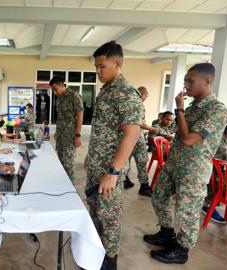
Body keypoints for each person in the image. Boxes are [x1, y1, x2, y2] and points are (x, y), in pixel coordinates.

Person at [144, 63, 227, 264]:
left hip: (193, 170)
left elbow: (189, 139)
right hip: (175, 163)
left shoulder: (218, 110)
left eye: (191, 81)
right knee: (159, 196)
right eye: (185, 81)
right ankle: (166, 233)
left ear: (208, 81)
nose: (186, 85)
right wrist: (182, 111)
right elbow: (178, 133)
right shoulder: (192, 107)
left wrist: (179, 109)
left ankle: (182, 250)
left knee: (187, 212)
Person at [84, 41, 143, 270]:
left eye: (101, 66)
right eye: (96, 67)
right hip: (98, 164)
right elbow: (104, 130)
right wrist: (91, 154)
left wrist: (113, 171)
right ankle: (96, 251)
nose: (98, 71)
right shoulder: (107, 90)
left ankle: (110, 259)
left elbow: (132, 134)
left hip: (110, 170)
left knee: (109, 214)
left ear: (117, 63)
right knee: (96, 208)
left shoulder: (126, 93)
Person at [50, 76, 83, 183]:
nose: (54, 92)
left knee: (68, 163)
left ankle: (71, 187)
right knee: (60, 161)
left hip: (70, 136)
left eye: (55, 89)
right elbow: (60, 117)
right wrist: (57, 131)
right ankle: (62, 183)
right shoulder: (59, 98)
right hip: (60, 134)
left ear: (61, 85)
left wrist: (77, 135)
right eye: (52, 90)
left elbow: (80, 116)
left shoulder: (74, 96)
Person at [201, 119, 227, 224]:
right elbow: (224, 164)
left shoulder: (218, 137)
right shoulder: (222, 146)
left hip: (204, 172)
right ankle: (207, 204)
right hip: (211, 179)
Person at [124, 86, 152, 197]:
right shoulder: (139, 104)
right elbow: (140, 122)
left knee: (126, 159)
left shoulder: (128, 103)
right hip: (137, 137)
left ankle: (125, 180)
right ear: (143, 95)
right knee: (142, 160)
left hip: (126, 136)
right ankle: (144, 186)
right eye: (146, 96)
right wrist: (151, 129)